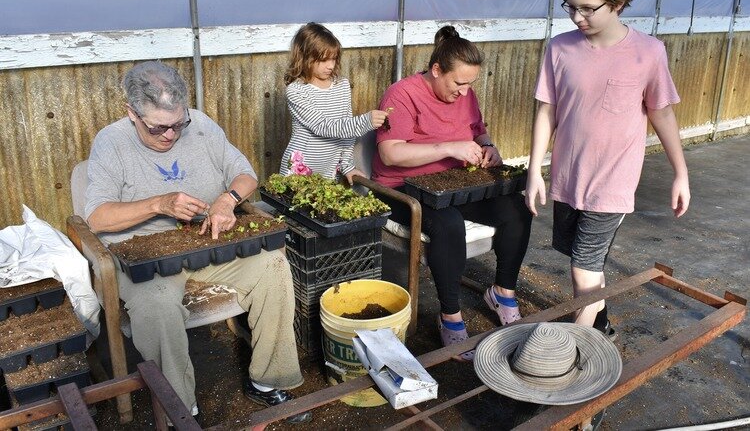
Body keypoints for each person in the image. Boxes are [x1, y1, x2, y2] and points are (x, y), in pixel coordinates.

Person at [85, 61, 311, 423]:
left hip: (208, 241)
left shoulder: (201, 125)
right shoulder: (111, 143)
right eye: (158, 127)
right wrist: (159, 204)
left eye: (178, 124)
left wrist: (228, 200)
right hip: (144, 258)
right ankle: (180, 408)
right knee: (157, 304)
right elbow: (96, 217)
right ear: (131, 113)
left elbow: (245, 174)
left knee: (273, 265)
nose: (171, 135)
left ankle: (268, 381)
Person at [526, 0, 690, 337]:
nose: (577, 17)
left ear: (617, 3)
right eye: (571, 6)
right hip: (568, 176)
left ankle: (572, 352)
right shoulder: (560, 49)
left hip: (612, 180)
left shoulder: (647, 52)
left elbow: (662, 114)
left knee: (584, 265)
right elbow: (546, 111)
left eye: (588, 8)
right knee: (580, 262)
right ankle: (600, 327)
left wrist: (681, 173)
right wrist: (535, 170)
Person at [372, 26, 533, 361]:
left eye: (470, 83)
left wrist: (488, 148)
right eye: (458, 83)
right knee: (448, 223)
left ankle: (502, 293)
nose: (464, 92)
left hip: (454, 183)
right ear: (436, 71)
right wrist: (450, 147)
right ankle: (451, 318)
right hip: (402, 190)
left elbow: (479, 131)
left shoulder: (465, 95)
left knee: (516, 207)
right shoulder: (401, 94)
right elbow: (390, 154)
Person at [280, 22, 388, 183]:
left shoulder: (342, 85)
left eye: (333, 59)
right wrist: (365, 121)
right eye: (323, 60)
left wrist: (347, 166)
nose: (330, 65)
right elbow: (323, 126)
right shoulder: (296, 91)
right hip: (298, 172)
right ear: (304, 57)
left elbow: (346, 129)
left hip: (329, 172)